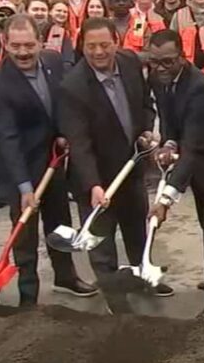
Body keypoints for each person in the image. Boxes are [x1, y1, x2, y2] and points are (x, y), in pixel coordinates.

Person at [0, 14, 93, 304]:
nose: (23, 52)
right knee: (25, 233)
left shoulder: (53, 63)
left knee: (59, 222)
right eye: (16, 46)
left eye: (29, 45)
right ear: (5, 44)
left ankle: (66, 277)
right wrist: (24, 187)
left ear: (40, 42)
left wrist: (62, 134)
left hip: (52, 161)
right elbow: (6, 138)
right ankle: (28, 293)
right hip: (17, 167)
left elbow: (61, 105)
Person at [58, 18, 161, 291]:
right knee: (101, 243)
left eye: (105, 44)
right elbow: (79, 143)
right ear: (82, 46)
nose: (99, 52)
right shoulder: (73, 86)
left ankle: (145, 278)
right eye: (91, 46)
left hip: (131, 168)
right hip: (97, 178)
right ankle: (114, 296)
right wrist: (93, 184)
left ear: (116, 42)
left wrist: (147, 130)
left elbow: (145, 104)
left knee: (138, 232)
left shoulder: (129, 63)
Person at [146, 29, 204, 320]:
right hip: (195, 162)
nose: (161, 68)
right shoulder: (158, 79)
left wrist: (166, 198)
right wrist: (169, 142)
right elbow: (170, 117)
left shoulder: (198, 87)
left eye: (168, 62)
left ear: (183, 58)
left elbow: (195, 146)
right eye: (155, 61)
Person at [44, 0, 76, 66]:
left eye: (65, 12)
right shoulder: (44, 30)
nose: (62, 14)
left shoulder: (69, 31)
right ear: (50, 12)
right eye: (58, 11)